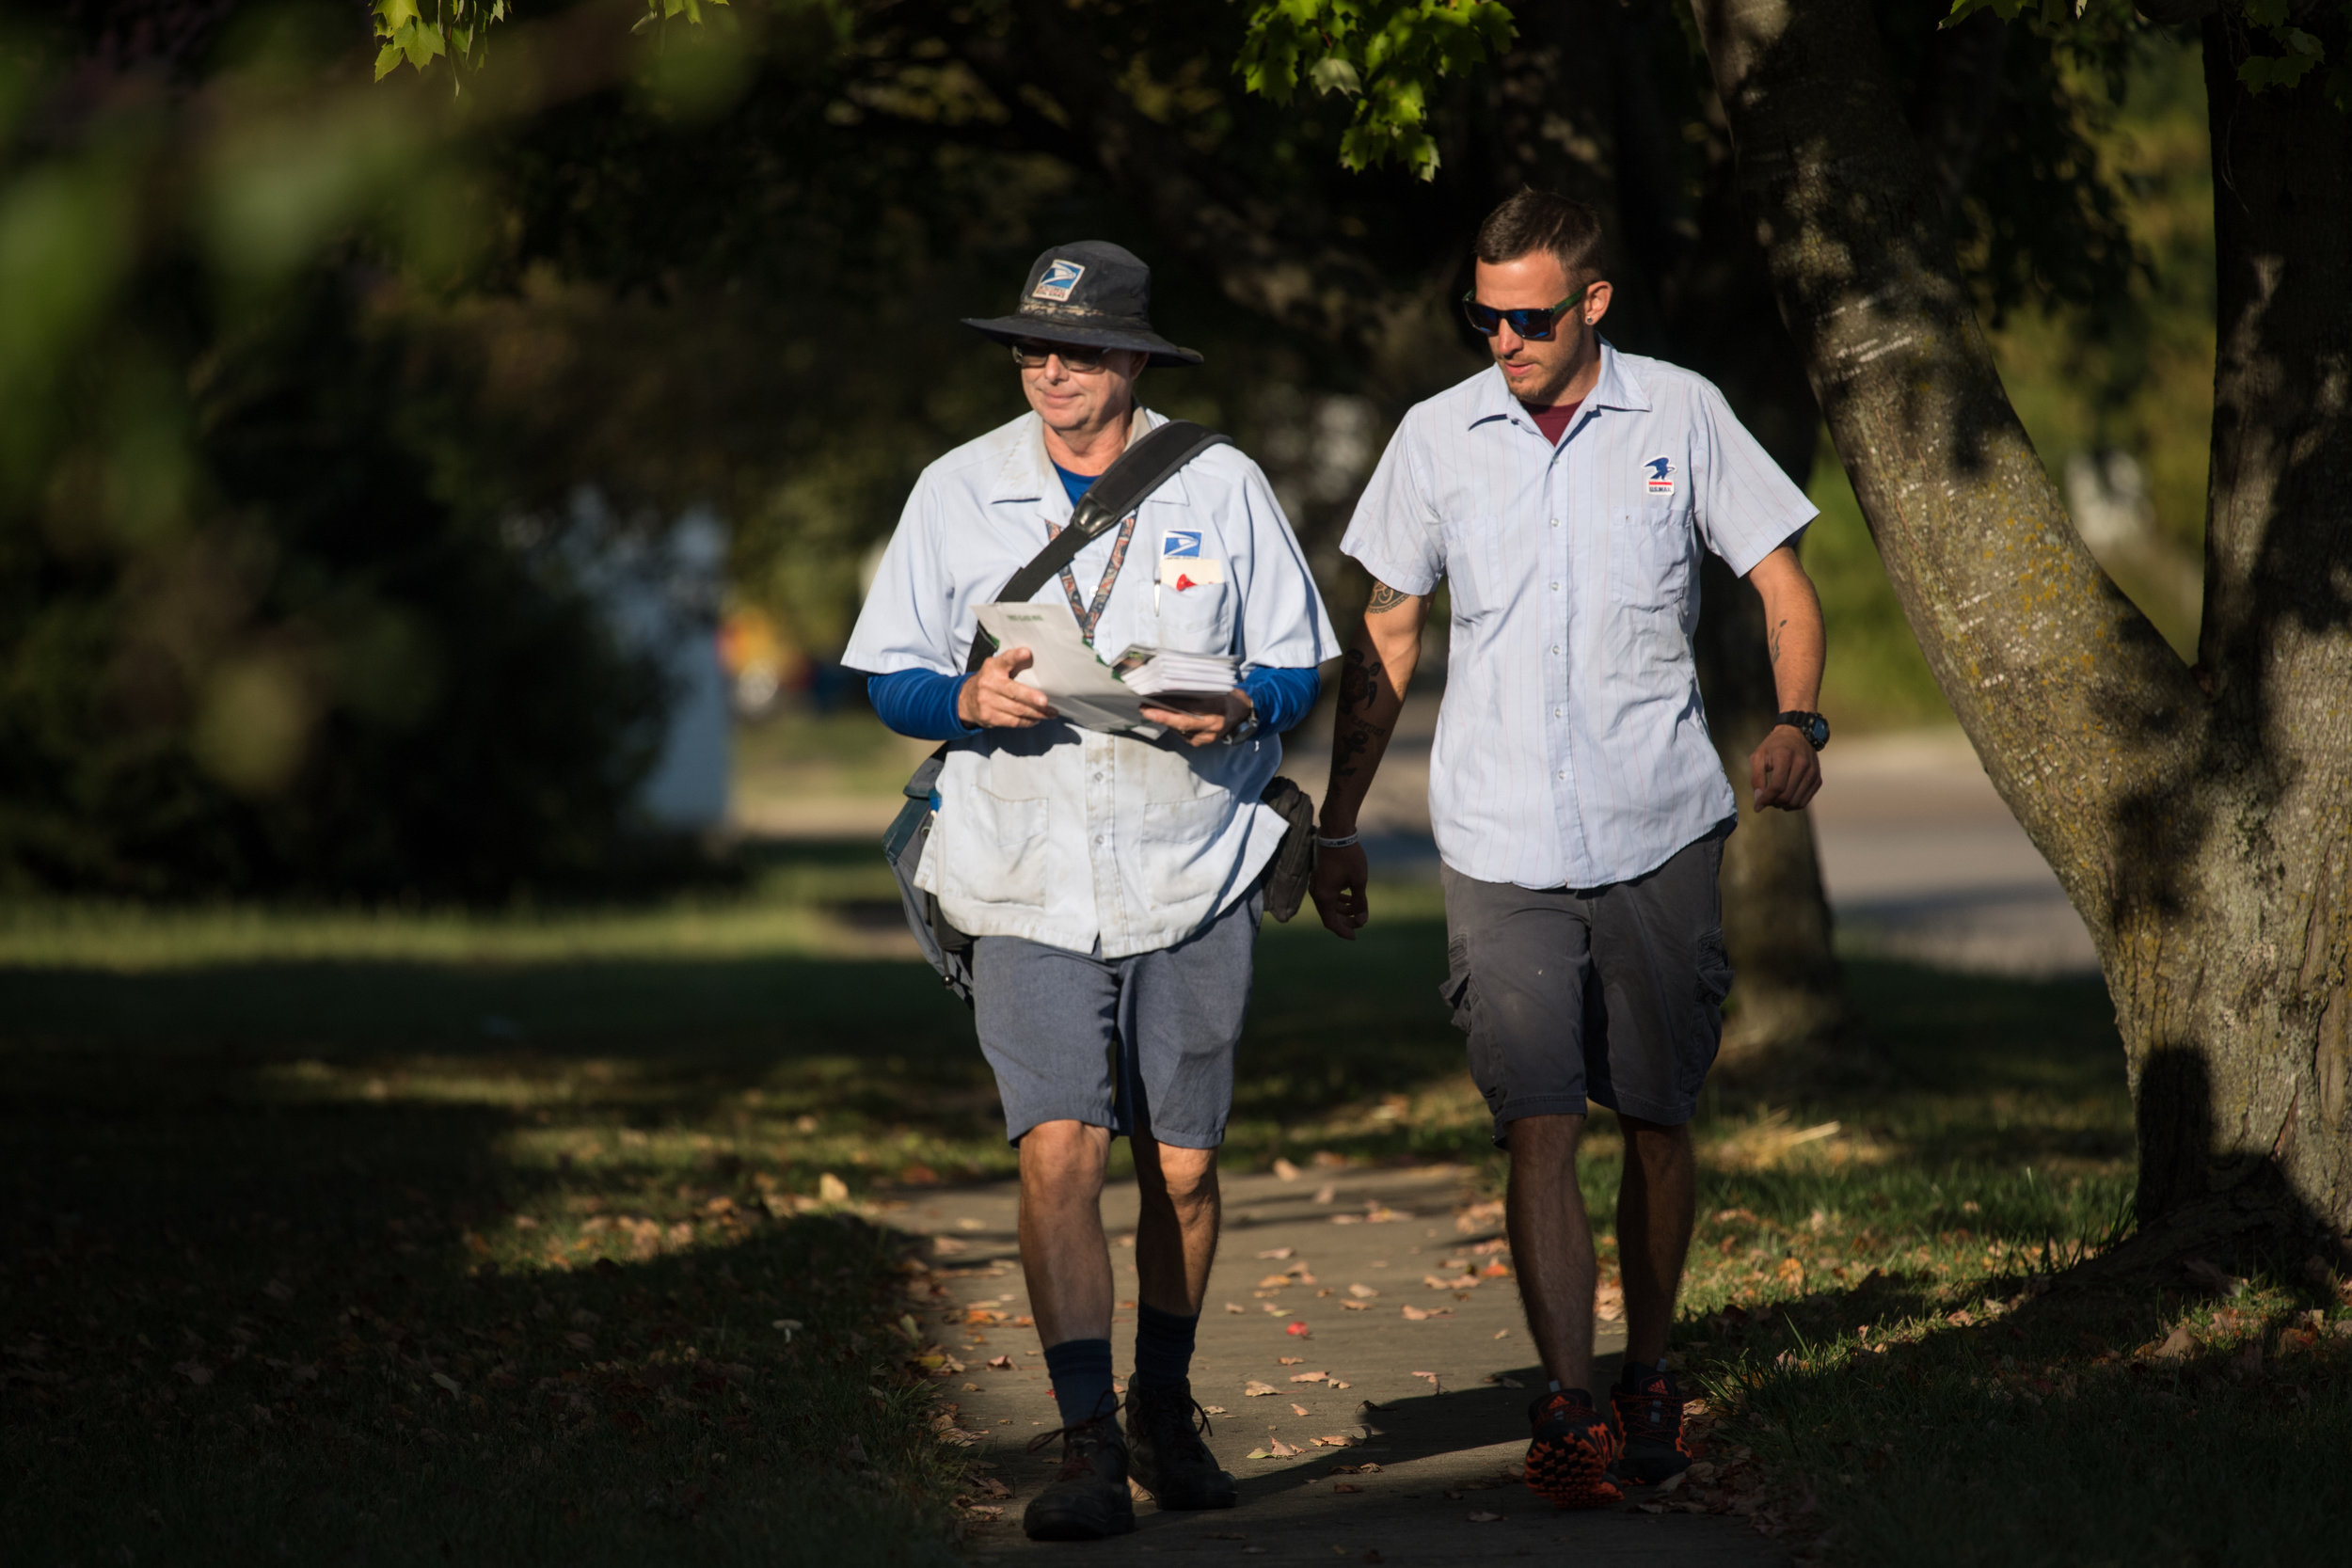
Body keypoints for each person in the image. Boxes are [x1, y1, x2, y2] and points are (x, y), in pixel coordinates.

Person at [1308, 191, 1828, 1509]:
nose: (1502, 339)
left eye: (1528, 317)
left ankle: (1649, 1371)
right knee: (1535, 1120)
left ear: (1591, 304)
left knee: (1655, 1116)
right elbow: (1389, 633)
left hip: (1658, 821)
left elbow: (1780, 582)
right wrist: (1339, 819)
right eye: (1481, 316)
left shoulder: (1682, 413)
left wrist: (1799, 722)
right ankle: (1567, 1401)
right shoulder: (1437, 437)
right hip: (1498, 836)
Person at [843, 241, 1337, 1541]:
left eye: (1072, 349)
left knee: (1181, 1165)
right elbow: (889, 674)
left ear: (1132, 359)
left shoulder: (1221, 483)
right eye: (1029, 348)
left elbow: (1298, 670)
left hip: (1191, 864)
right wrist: (963, 697)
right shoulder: (958, 490)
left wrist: (1237, 701)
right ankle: (1083, 1444)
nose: (1046, 369)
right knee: (1057, 1148)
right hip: (1022, 869)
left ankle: (1162, 1403)